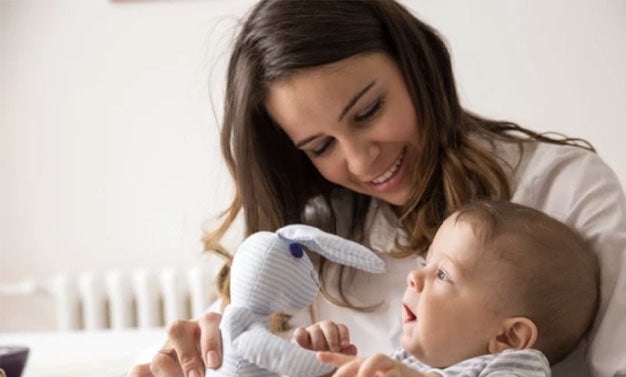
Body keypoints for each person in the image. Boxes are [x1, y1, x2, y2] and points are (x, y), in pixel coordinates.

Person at [128, 1, 626, 377]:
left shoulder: (568, 189)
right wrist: (212, 352)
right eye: (321, 146)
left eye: (368, 112)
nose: (362, 160)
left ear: (415, 65)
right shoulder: (308, 239)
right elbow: (237, 345)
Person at [295, 200, 599, 377]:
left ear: (509, 336)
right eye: (426, 263)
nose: (414, 276)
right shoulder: (407, 362)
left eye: (442, 274)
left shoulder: (513, 366)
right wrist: (324, 365)